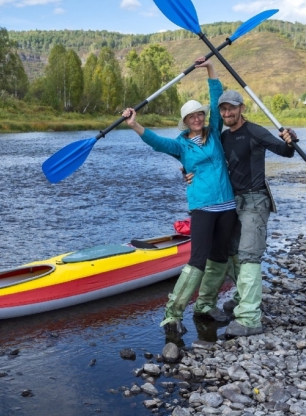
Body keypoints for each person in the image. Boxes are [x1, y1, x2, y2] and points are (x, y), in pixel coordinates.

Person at [122, 57, 236, 334]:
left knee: (220, 257)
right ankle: (173, 313)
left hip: (228, 205)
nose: (197, 119)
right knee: (197, 259)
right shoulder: (181, 145)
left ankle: (206, 306)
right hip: (203, 206)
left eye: (200, 115)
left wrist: (209, 69)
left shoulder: (215, 135)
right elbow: (157, 142)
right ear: (184, 121)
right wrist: (135, 125)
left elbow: (214, 98)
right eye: (191, 116)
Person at [217, 89, 296, 337]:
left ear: (242, 108)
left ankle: (250, 319)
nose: (228, 112)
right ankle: (243, 297)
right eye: (223, 109)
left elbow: (286, 151)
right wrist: (186, 173)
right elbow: (209, 163)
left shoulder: (255, 131)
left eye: (232, 108)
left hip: (255, 199)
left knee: (249, 256)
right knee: (231, 254)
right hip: (231, 201)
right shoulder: (222, 137)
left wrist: (290, 137)